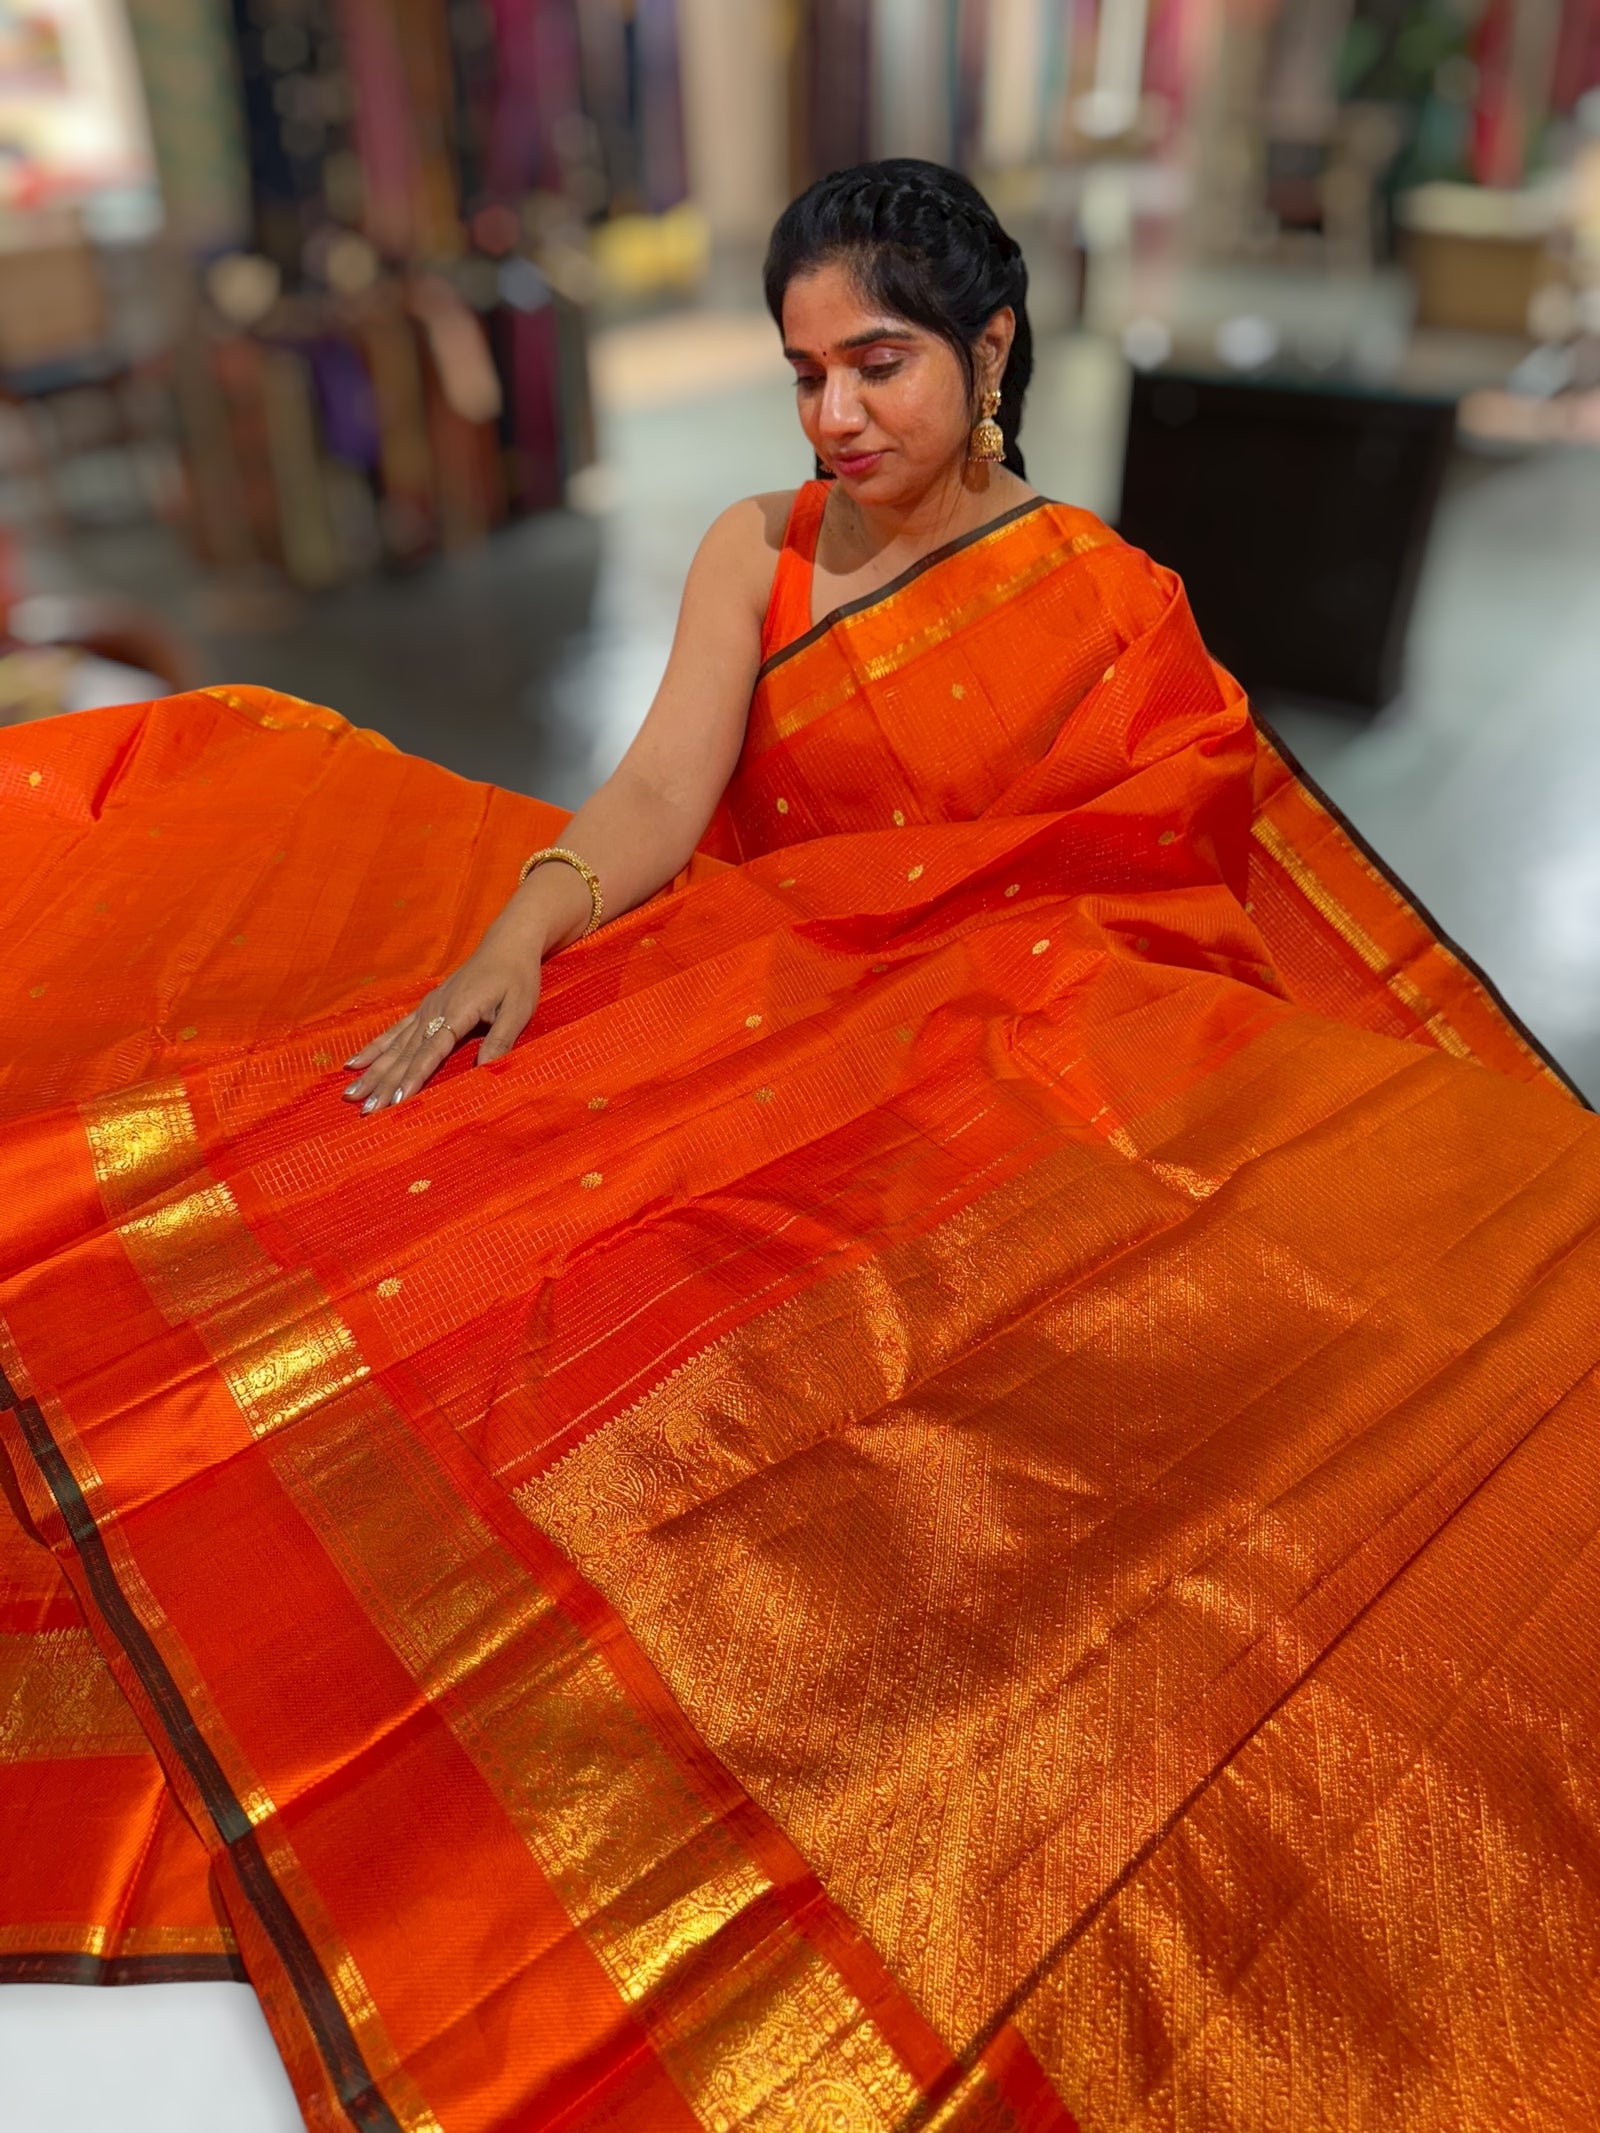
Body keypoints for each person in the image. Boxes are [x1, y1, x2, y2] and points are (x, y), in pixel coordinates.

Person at [1, 160, 1596, 2133]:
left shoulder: (1107, 605)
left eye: (879, 362)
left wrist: (969, 996)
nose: (836, 415)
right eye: (801, 372)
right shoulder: (757, 547)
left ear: (988, 348)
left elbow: (1149, 900)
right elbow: (667, 782)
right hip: (754, 1015)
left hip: (985, 1056)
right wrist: (530, 915)